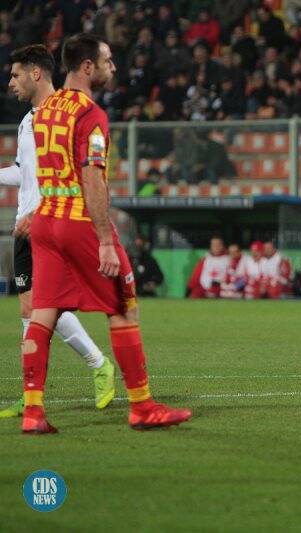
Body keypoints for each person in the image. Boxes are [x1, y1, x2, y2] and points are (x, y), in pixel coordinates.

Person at [22, 33, 190, 433]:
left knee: (42, 313)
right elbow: (92, 178)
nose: (113, 68)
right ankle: (142, 405)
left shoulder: (44, 109)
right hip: (79, 222)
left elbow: (46, 168)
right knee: (123, 307)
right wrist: (103, 240)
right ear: (87, 67)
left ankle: (32, 411)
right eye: (108, 61)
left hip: (45, 221)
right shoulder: (90, 114)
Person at [0, 44, 115, 420]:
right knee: (31, 309)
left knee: (41, 308)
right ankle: (33, 392)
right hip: (25, 224)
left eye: (15, 74)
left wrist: (40, 213)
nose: (10, 83)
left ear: (36, 73)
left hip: (48, 223)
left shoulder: (60, 116)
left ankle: (98, 365)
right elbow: (25, 171)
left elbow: (75, 173)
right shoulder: (27, 121)